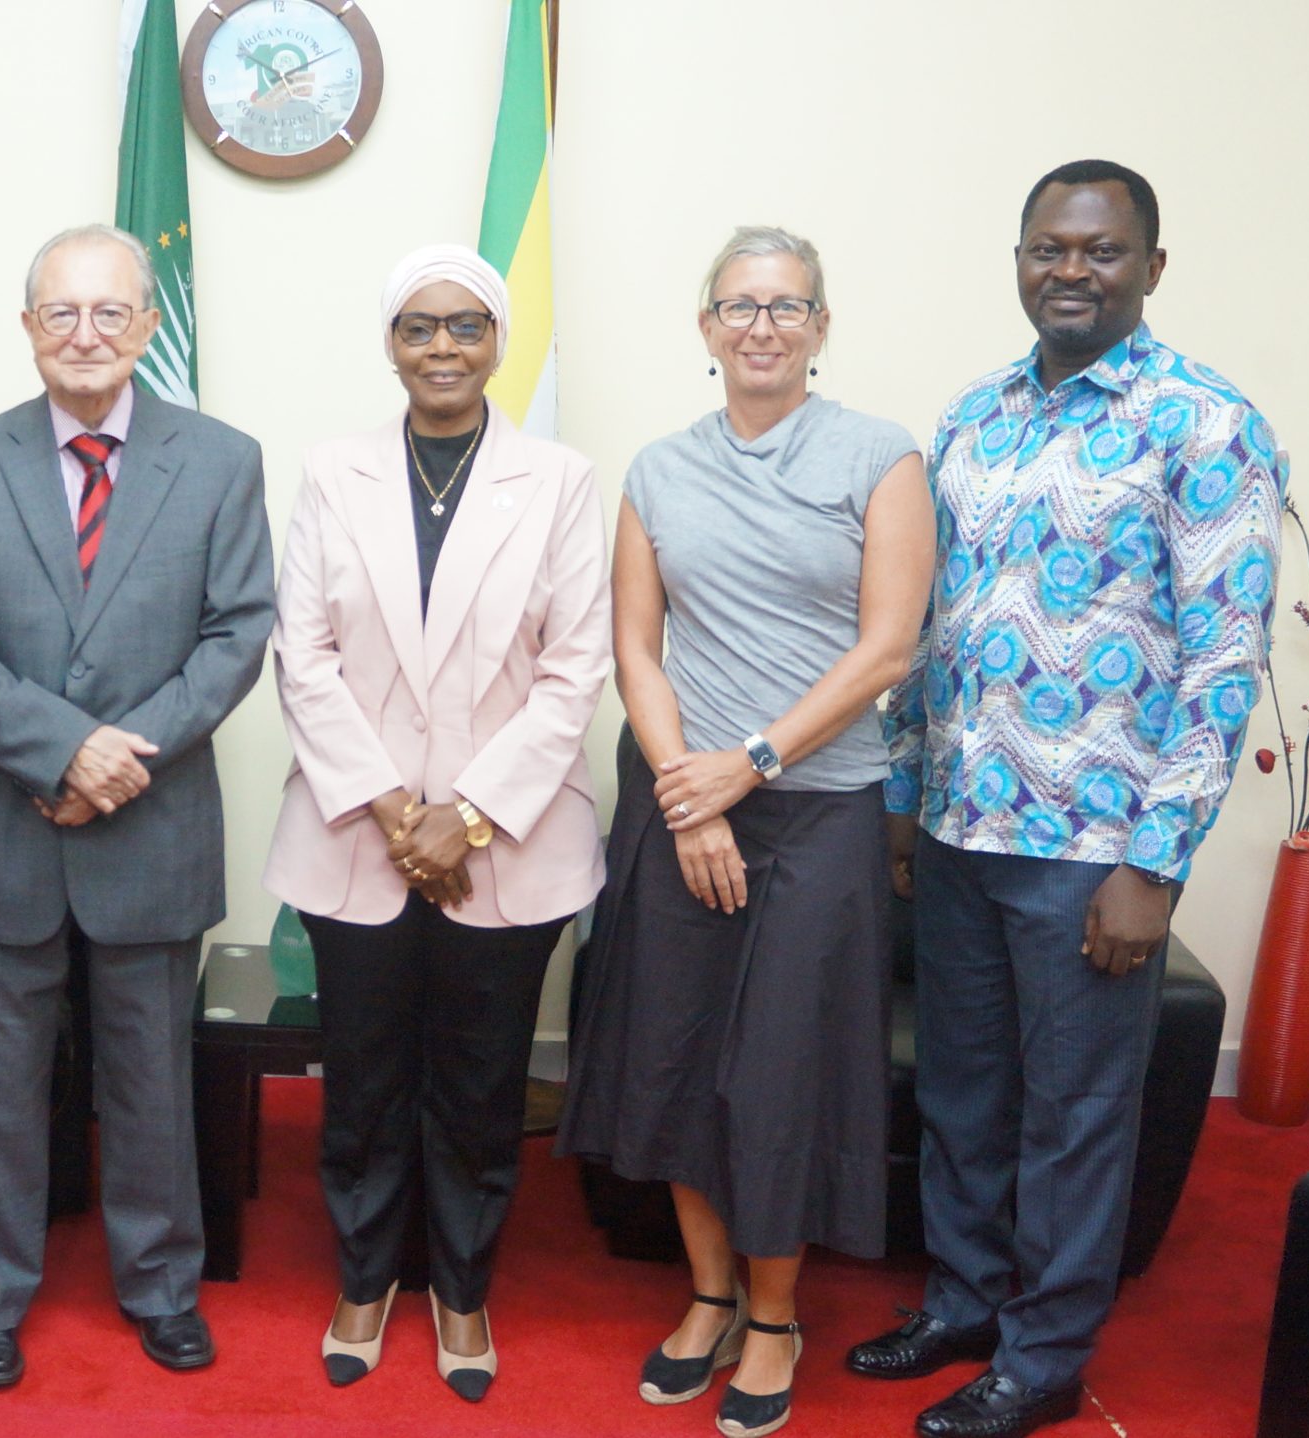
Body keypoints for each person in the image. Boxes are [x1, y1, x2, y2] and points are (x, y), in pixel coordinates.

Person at [852, 161, 1283, 1438]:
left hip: (1092, 850)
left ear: (1152, 267)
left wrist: (1154, 865)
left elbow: (1223, 658)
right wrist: (902, 791)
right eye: (1048, 248)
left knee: (1076, 1114)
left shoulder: (1205, 423)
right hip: (960, 828)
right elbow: (929, 628)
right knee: (960, 1094)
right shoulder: (974, 417)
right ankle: (966, 1302)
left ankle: (1042, 1358)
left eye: (1100, 251)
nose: (1071, 270)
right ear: (1021, 260)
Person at [555, 226, 932, 1438]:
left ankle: (775, 1318)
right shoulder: (659, 470)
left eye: (786, 305)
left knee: (779, 1075)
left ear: (821, 327)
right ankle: (708, 1294)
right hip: (681, 797)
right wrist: (683, 788)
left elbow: (889, 647)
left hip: (817, 810)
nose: (760, 324)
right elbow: (633, 646)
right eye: (738, 304)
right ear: (706, 326)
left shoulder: (882, 458)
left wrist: (752, 764)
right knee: (669, 1058)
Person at [0, 223, 275, 1389]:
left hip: (151, 825)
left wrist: (130, 760)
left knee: (151, 1081)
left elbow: (236, 634)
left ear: (147, 327)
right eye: (59, 314)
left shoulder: (220, 459)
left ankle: (161, 1286)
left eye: (109, 313)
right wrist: (65, 755)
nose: (84, 335)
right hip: (3, 828)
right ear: (26, 330)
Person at [262, 244, 609, 1403]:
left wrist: (467, 816)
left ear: (499, 342)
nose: (444, 348)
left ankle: (459, 1290)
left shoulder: (559, 480)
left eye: (466, 327)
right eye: (419, 327)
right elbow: (300, 653)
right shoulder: (334, 472)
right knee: (360, 1075)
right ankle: (366, 1278)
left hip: (503, 843)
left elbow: (575, 672)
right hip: (360, 828)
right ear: (391, 344)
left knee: (477, 1079)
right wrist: (397, 809)